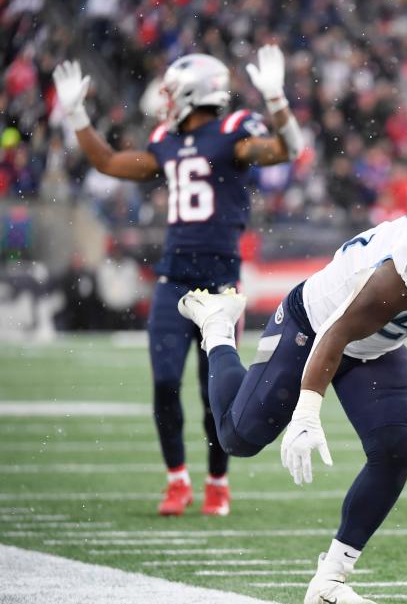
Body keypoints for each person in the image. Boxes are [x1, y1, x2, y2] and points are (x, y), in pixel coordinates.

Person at [53, 46, 305, 516]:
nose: (165, 101)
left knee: (215, 393)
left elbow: (287, 149)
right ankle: (176, 480)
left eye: (172, 92)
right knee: (164, 382)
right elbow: (108, 162)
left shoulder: (232, 133)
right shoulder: (166, 142)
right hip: (174, 282)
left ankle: (216, 481)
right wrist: (75, 113)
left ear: (192, 93)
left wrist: (276, 99)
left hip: (221, 286)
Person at [177, 213, 407, 604]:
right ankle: (217, 327)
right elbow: (337, 330)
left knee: (399, 446)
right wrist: (307, 412)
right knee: (237, 437)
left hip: (374, 342)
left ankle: (330, 580)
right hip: (315, 325)